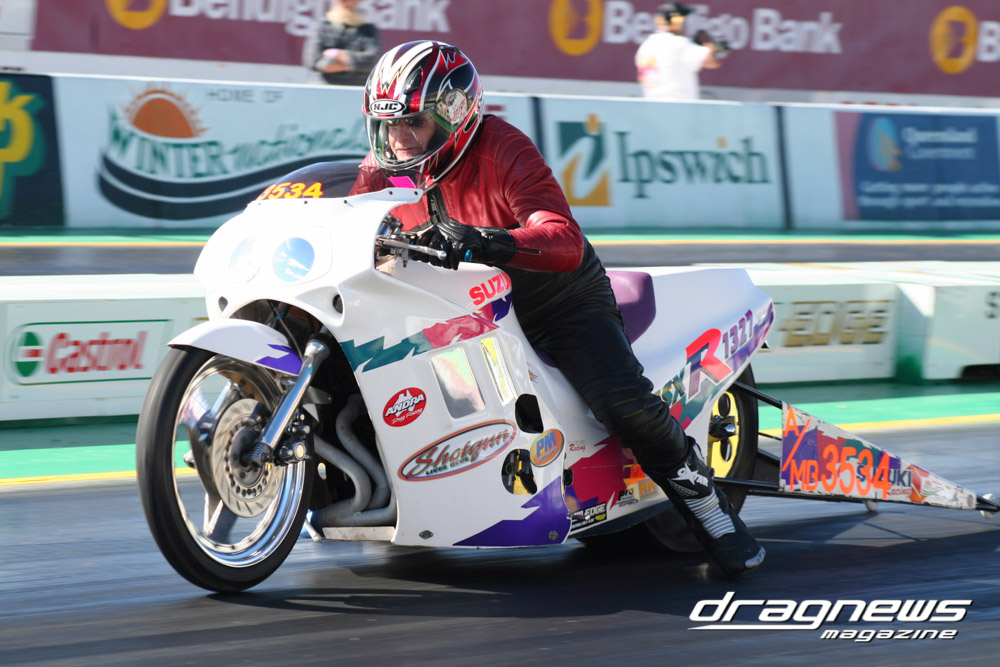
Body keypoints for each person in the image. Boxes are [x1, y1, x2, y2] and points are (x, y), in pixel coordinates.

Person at [351, 41, 764, 577]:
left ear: (453, 115)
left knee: (623, 404)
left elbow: (563, 238)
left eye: (413, 124)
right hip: (460, 308)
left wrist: (485, 241)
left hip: (557, 302)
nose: (398, 140)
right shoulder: (384, 167)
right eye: (388, 126)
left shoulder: (502, 148)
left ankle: (710, 509)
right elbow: (349, 225)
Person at [635, 2, 722, 101]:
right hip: (678, 106)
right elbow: (711, 62)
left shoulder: (646, 46)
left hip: (652, 106)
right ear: (677, 21)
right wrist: (708, 44)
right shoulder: (678, 43)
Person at [302, 0, 380, 86]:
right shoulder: (322, 26)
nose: (346, 2)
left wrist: (341, 55)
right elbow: (313, 62)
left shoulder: (367, 29)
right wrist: (352, 64)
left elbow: (373, 59)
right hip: (324, 87)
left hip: (357, 89)